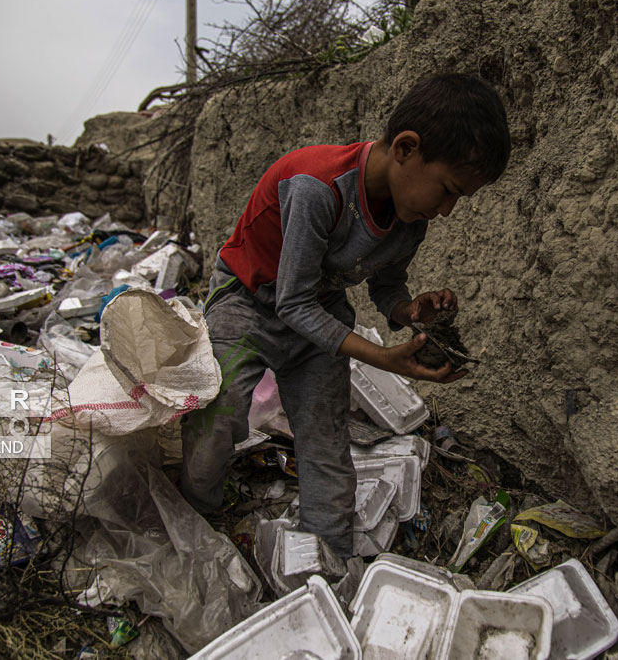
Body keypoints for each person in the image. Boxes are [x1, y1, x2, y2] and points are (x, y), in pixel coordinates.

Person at [180, 73, 511, 556]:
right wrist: (382, 356)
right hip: (248, 300)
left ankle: (327, 560)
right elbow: (291, 302)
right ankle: (193, 519)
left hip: (318, 313)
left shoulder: (408, 217)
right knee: (218, 415)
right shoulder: (317, 186)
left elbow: (386, 283)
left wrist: (409, 308)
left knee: (325, 440)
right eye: (448, 190)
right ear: (405, 148)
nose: (447, 211)